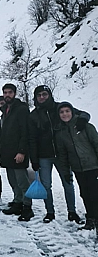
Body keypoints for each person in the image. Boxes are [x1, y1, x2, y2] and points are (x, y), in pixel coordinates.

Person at [27, 85, 87, 224]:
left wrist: (82, 120)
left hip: (62, 155)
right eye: (39, 95)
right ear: (36, 98)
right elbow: (32, 139)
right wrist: (34, 159)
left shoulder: (60, 108)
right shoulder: (33, 115)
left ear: (49, 95)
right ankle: (50, 212)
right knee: (46, 185)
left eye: (44, 94)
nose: (42, 97)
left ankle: (72, 212)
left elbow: (83, 114)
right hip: (43, 156)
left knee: (68, 183)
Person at [55, 102, 98, 231]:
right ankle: (91, 219)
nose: (65, 114)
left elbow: (96, 143)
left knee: (95, 193)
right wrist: (66, 172)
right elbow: (62, 155)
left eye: (67, 111)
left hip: (92, 166)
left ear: (72, 112)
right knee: (85, 194)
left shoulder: (85, 126)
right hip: (78, 168)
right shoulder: (60, 133)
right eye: (62, 112)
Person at [0, 83, 33, 221]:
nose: (7, 95)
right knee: (13, 180)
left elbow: (25, 131)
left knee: (22, 181)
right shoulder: (6, 109)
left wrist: (22, 151)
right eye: (5, 92)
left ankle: (27, 207)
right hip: (8, 152)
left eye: (10, 92)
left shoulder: (21, 109)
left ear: (14, 93)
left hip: (18, 152)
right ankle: (17, 202)